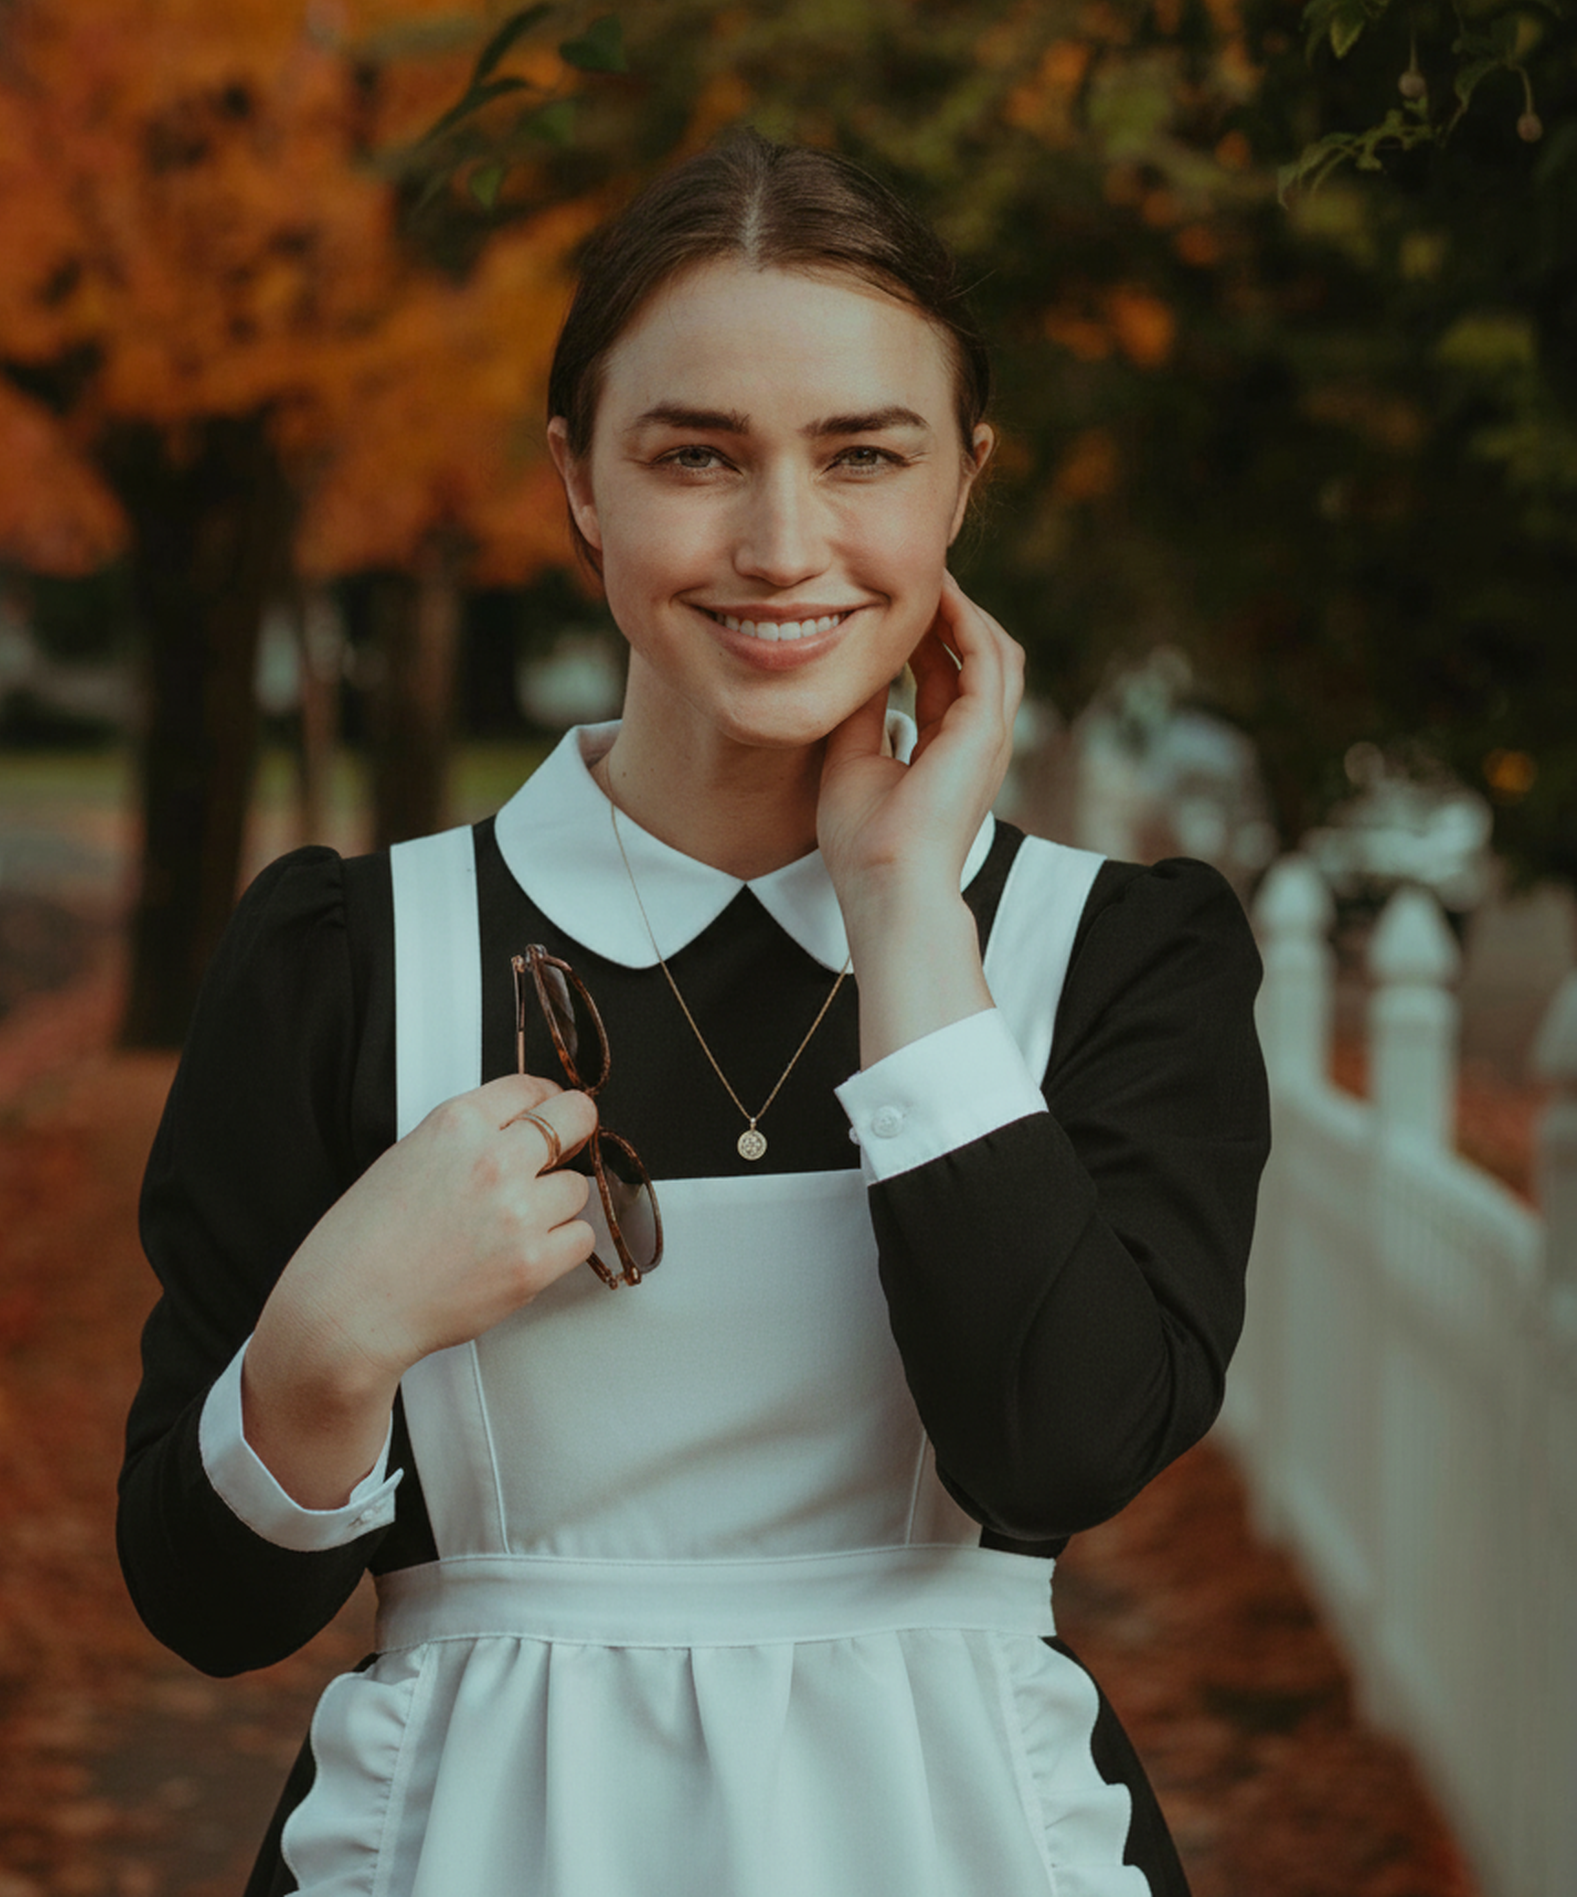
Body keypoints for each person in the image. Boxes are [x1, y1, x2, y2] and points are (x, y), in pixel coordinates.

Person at [119, 128, 1269, 1897]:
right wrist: (333, 1339)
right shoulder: (352, 958)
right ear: (579, 479)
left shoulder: (1108, 959)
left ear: (963, 479)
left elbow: (1052, 1445)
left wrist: (904, 915)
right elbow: (206, 1607)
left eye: (862, 454)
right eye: (695, 457)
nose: (780, 542)